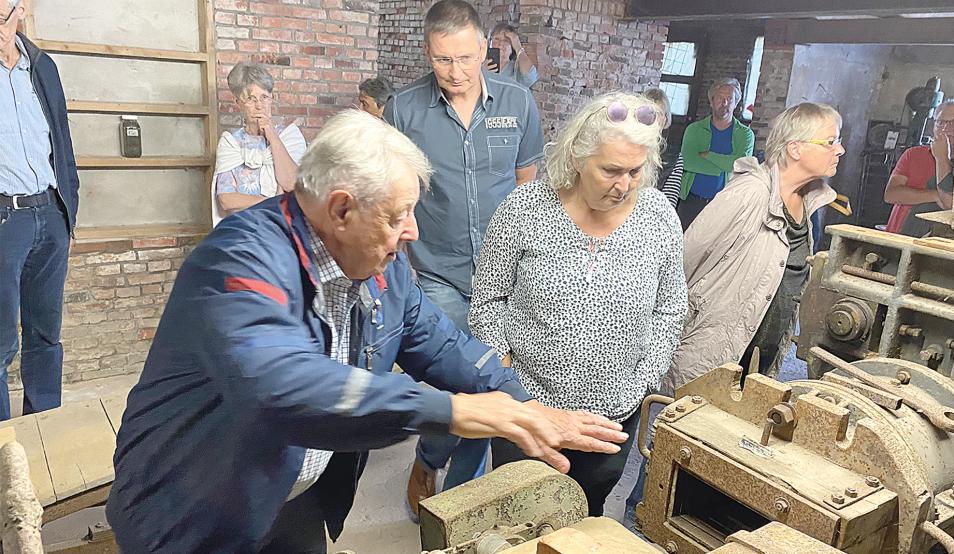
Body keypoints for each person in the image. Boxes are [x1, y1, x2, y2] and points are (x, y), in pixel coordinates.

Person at [105, 110, 626, 553]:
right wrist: (453, 412)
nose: (413, 231)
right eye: (399, 214)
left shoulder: (382, 264)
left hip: (293, 495)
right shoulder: (238, 260)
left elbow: (441, 343)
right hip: (193, 502)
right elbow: (283, 384)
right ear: (340, 208)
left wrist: (523, 406)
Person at [469, 91, 687, 516]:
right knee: (517, 517)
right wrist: (503, 370)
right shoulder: (526, 208)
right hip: (529, 411)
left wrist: (643, 377)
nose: (624, 185)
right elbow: (488, 298)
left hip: (610, 419)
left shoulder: (658, 216)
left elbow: (670, 307)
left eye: (635, 171)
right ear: (576, 157)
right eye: (610, 170)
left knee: (584, 519)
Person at [384, 0, 545, 516]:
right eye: (441, 61)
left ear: (485, 48)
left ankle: (457, 501)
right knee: (464, 376)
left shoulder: (518, 104)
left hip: (502, 275)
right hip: (435, 270)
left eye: (465, 58)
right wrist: (399, 262)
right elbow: (392, 190)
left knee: (494, 378)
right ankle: (430, 460)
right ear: (427, 54)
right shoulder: (404, 110)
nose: (455, 72)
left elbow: (527, 188)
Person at [667, 102, 842, 390]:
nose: (839, 149)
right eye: (830, 142)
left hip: (760, 358)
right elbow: (684, 262)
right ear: (795, 149)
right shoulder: (748, 194)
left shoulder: (810, 202)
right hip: (715, 353)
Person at [0, 0, 79, 421]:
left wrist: (70, 210)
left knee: (45, 337)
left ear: (22, 10)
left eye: (2, 15)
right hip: (4, 219)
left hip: (50, 214)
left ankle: (45, 429)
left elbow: (62, 140)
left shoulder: (42, 66)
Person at [211, 62, 306, 225]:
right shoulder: (231, 143)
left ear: (272, 98)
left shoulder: (289, 136)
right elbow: (227, 200)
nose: (259, 105)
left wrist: (272, 136)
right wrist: (274, 201)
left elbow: (292, 184)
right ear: (237, 102)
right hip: (244, 227)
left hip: (285, 227)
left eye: (264, 97)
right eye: (251, 99)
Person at [884, 99, 954, 235]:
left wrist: (942, 159)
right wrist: (936, 195)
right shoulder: (913, 154)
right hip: (897, 235)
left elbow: (952, 204)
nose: (945, 128)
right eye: (940, 122)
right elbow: (891, 195)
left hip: (936, 243)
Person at [676, 77, 755, 230]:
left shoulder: (745, 135)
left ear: (735, 103)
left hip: (725, 204)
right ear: (711, 101)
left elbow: (741, 165)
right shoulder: (694, 129)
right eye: (720, 98)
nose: (724, 103)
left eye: (729, 99)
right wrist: (724, 166)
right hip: (691, 201)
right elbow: (688, 161)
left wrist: (708, 155)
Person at [643, 87, 683, 208]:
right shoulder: (624, 147)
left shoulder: (675, 157)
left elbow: (669, 203)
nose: (653, 119)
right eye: (649, 113)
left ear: (665, 119)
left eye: (659, 113)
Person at [487, 22, 537, 88]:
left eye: (506, 40)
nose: (501, 43)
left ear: (512, 47)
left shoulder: (516, 69)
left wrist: (518, 47)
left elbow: (530, 78)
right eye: (496, 39)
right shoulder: (481, 65)